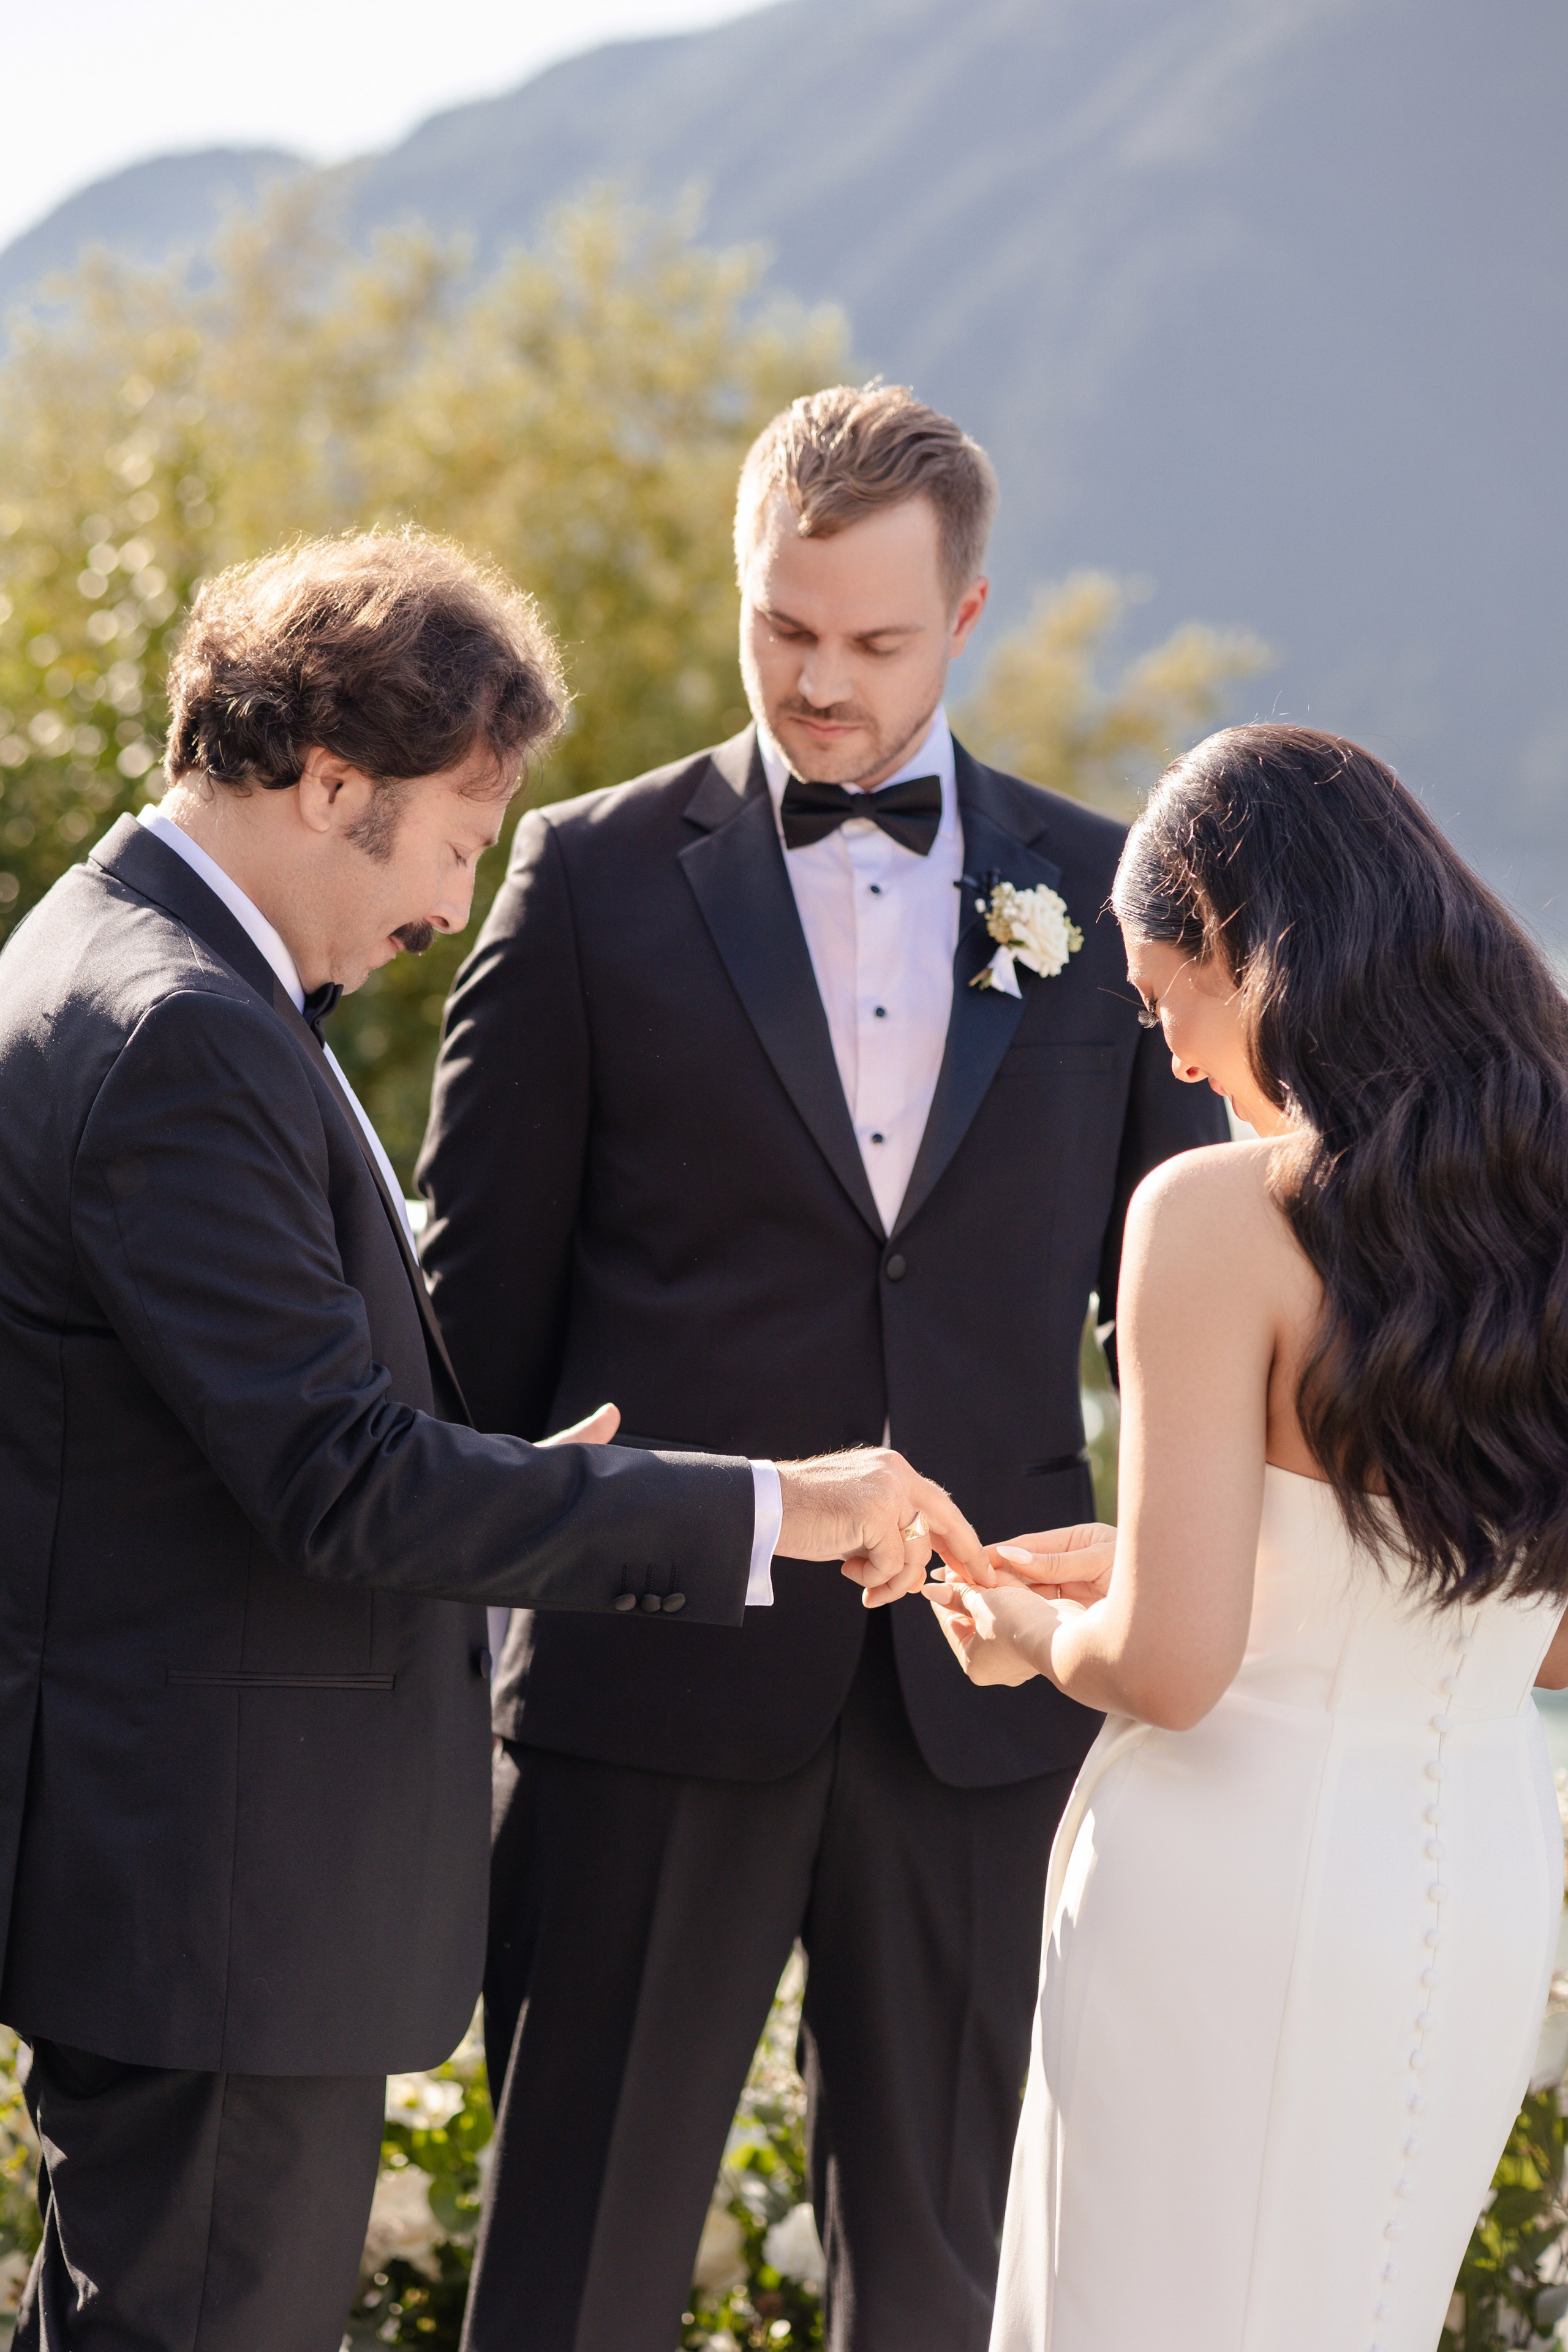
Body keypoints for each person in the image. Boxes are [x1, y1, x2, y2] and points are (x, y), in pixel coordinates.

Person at [0, 529, 981, 2352]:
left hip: (188, 1893)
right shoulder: (184, 1029)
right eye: (457, 842)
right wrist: (769, 1507)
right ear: (332, 784)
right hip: (223, 1906)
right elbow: (339, 1482)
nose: (454, 904)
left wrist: (528, 1471)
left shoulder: (112, 955)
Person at [417, 385, 1224, 2351]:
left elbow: (1190, 1307)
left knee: (949, 2284)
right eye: (782, 629)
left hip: (985, 1702)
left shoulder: (1106, 896)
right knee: (574, 2279)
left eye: (873, 640)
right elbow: (471, 1338)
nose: (820, 683)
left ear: (967, 620)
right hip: (646, 1686)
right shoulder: (584, 882)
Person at [931, 723, 1568, 2352]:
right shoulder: (1542, 1207)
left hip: (1229, 1890)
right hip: (1477, 1890)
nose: (1179, 1063)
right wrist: (1191, 1563)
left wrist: (1024, 1631)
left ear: (1239, 944)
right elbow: (1538, 1630)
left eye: (1164, 1004)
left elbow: (1172, 1668)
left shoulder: (1218, 1217)